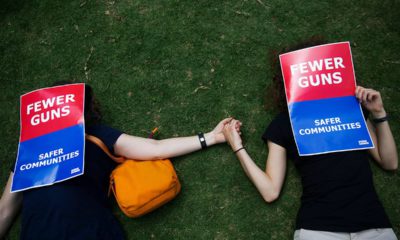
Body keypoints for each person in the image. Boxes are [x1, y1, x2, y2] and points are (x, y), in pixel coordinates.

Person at [0, 83, 239, 240]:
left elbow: (155, 149)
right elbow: (6, 208)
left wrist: (211, 137)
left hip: (91, 232)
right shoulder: (30, 150)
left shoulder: (96, 136)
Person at [222, 45, 398, 239]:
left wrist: (379, 113)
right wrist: (237, 146)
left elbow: (390, 163)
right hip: (318, 229)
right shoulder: (284, 124)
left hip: (374, 227)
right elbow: (270, 191)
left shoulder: (351, 112)